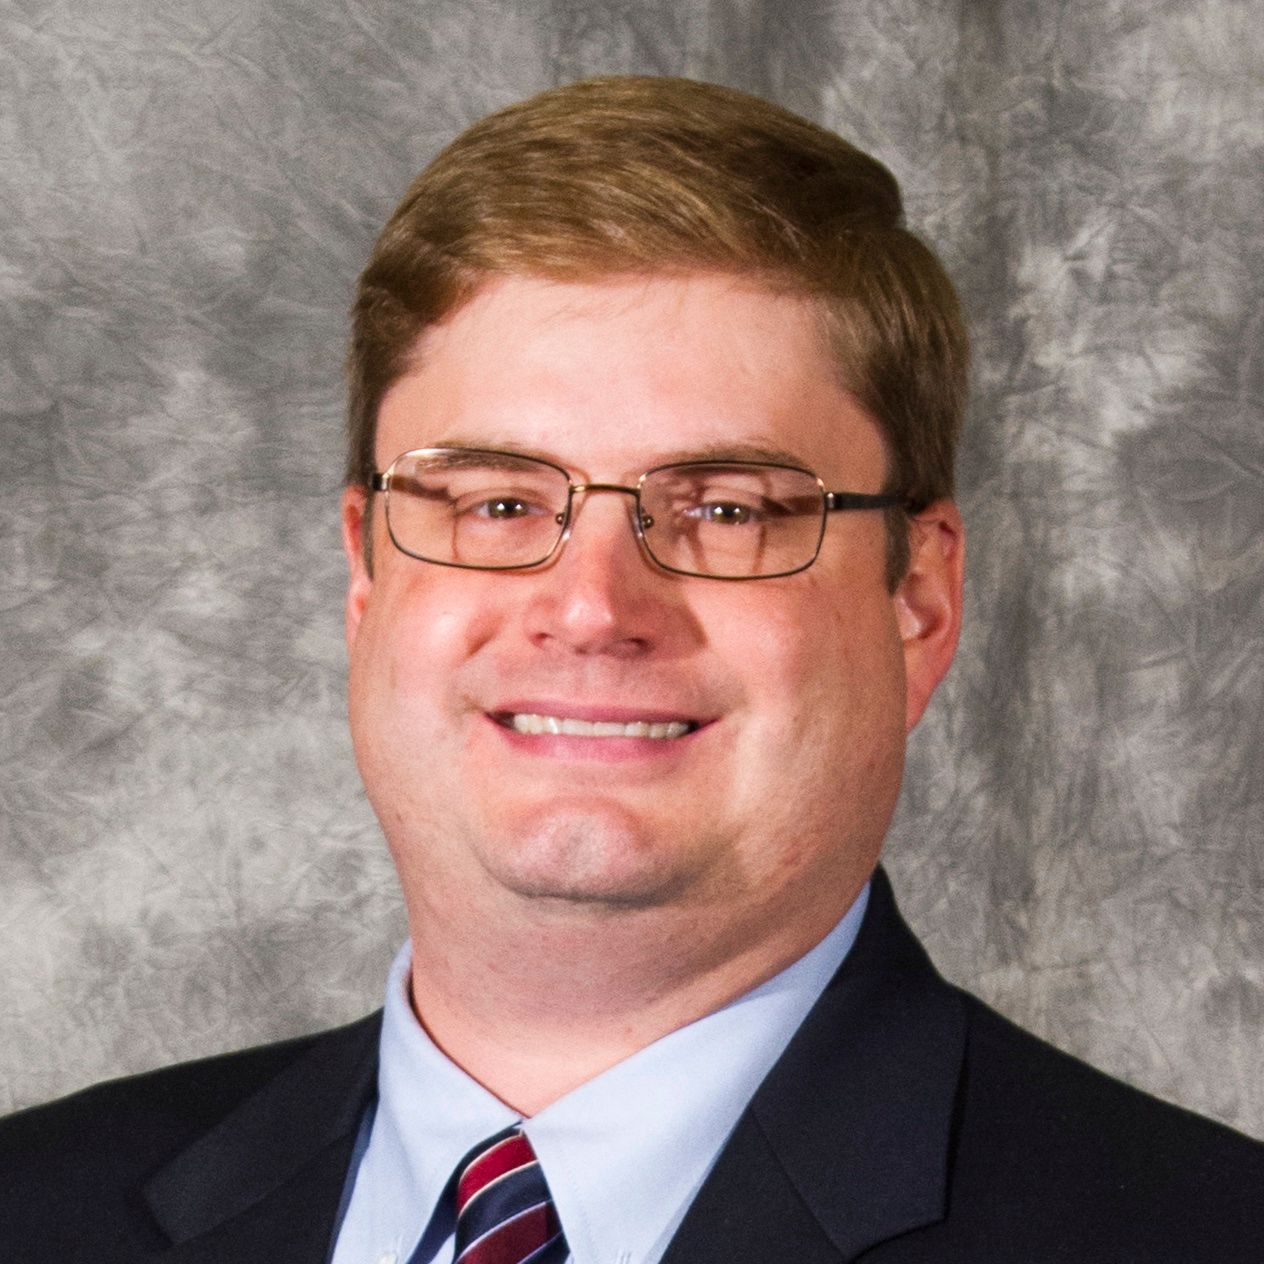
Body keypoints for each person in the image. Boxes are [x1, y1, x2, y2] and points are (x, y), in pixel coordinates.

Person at [1, 75, 1261, 1264]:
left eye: (727, 510)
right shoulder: (36, 1205)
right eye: (496, 503)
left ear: (918, 604)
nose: (593, 608)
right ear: (366, 577)